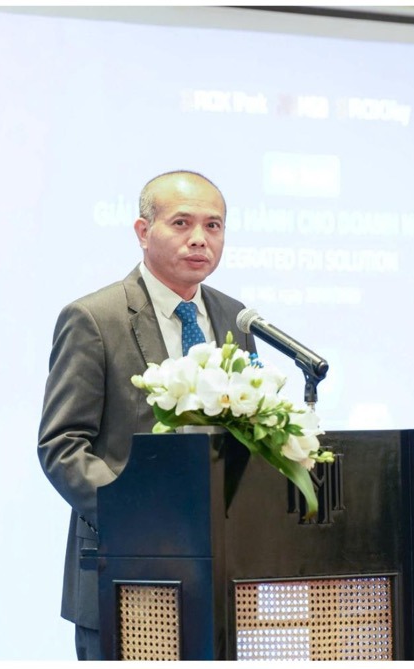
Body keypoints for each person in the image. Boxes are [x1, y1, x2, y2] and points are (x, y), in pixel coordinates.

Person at [37, 170, 255, 660]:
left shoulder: (235, 318)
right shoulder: (95, 319)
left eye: (213, 226)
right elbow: (62, 445)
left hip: (220, 582)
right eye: (181, 223)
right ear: (142, 231)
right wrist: (139, 518)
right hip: (124, 572)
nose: (199, 238)